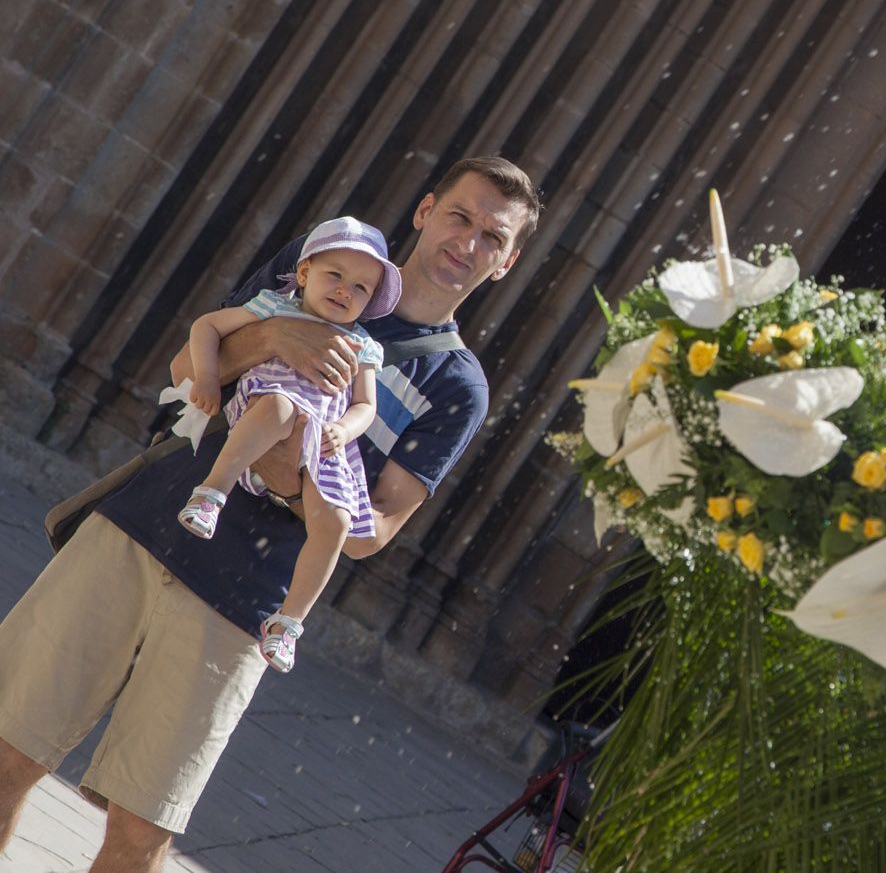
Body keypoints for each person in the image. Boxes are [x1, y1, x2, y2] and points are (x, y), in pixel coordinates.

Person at [0, 156, 540, 873]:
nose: (467, 243)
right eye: (460, 217)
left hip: (242, 603)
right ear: (425, 209)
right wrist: (278, 339)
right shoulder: (321, 258)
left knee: (140, 830)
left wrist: (297, 482)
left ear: (506, 263)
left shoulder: (458, 386)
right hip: (144, 525)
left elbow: (374, 534)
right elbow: (187, 370)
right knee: (8, 750)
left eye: (492, 238)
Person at [175, 216, 402, 672]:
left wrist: (347, 429)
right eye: (334, 275)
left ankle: (288, 623)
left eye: (359, 288)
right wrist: (208, 379)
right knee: (281, 407)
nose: (344, 290)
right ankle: (211, 495)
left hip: (321, 438)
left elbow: (366, 406)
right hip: (266, 408)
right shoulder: (275, 308)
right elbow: (206, 327)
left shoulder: (363, 347)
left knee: (335, 523)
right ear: (304, 273)